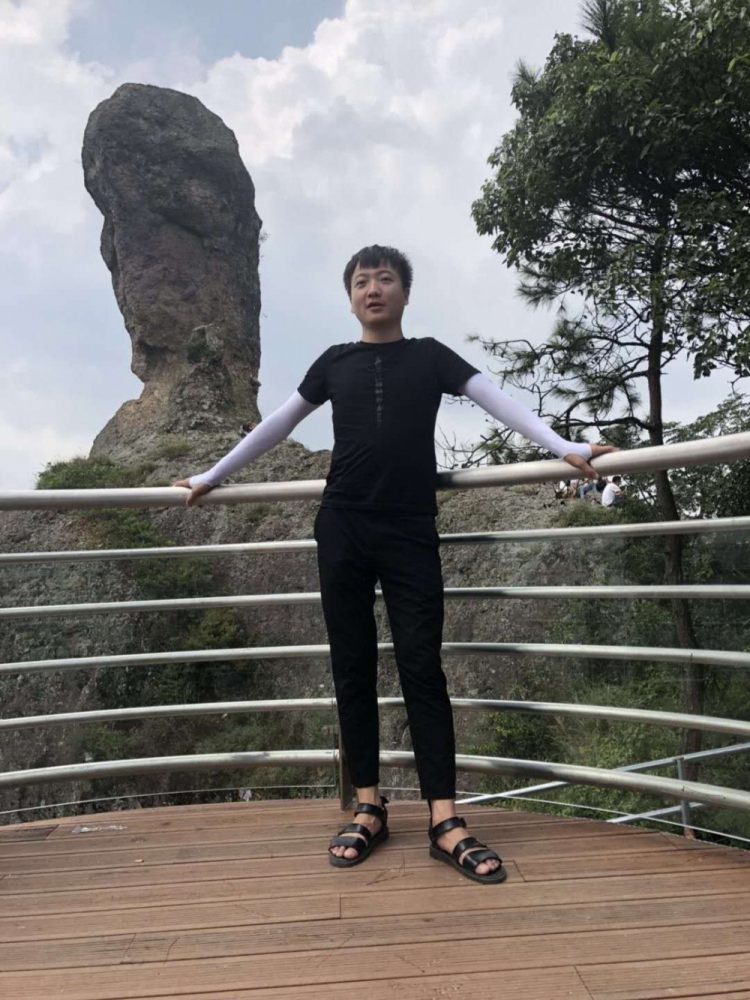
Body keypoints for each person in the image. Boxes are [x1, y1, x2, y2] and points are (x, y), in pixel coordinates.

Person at [174, 245, 615, 884]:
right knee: (351, 667)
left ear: (405, 293)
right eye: (362, 281)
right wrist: (211, 476)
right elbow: (278, 424)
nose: (373, 289)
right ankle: (368, 807)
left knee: (421, 667)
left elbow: (495, 399)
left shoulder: (430, 356)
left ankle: (445, 820)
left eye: (385, 279)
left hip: (409, 529)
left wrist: (562, 445)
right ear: (350, 297)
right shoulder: (334, 362)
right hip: (343, 526)